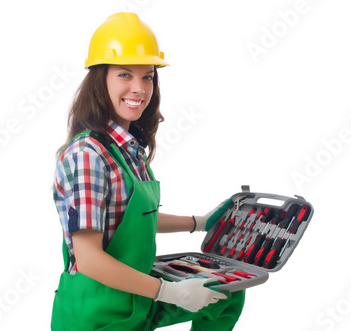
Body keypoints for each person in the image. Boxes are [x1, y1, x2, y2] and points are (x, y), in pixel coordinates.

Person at [51, 12, 245, 330]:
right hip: (99, 313)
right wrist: (170, 292)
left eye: (148, 77)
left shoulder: (129, 151)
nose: (139, 88)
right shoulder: (87, 155)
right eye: (125, 75)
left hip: (135, 299)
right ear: (100, 79)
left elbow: (136, 220)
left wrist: (199, 223)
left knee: (225, 297)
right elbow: (88, 259)